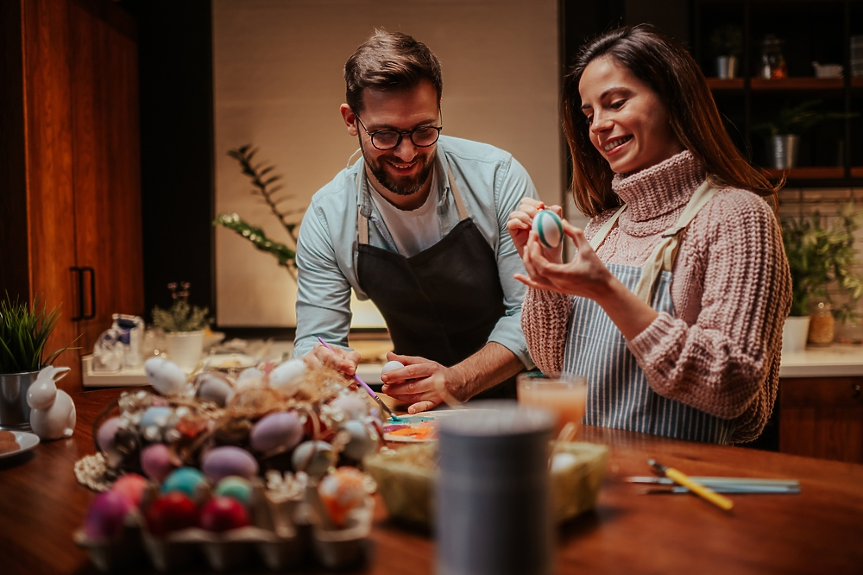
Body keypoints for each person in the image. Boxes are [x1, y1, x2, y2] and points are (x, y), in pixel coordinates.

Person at [507, 25, 791, 444]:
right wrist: (547, 273)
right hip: (595, 472)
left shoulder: (737, 216)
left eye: (616, 103)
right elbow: (553, 365)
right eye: (589, 115)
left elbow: (731, 383)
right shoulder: (604, 228)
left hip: (680, 483)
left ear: (674, 99)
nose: (599, 126)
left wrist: (607, 291)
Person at [293, 31, 538, 413]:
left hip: (525, 401)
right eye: (385, 134)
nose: (407, 153)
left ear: (439, 109)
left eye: (424, 130)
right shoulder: (329, 216)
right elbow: (315, 341)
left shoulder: (496, 177)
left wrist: (458, 380)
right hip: (419, 415)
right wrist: (324, 363)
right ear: (350, 120)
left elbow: (531, 313)